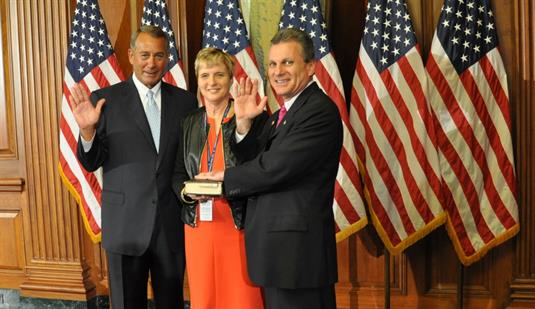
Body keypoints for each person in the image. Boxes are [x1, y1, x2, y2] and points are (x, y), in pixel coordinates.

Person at [197, 28, 342, 309]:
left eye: (288, 62)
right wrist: (243, 123)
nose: (278, 72)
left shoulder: (318, 111)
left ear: (310, 66)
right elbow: (252, 159)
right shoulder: (282, 115)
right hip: (280, 256)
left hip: (297, 259)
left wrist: (223, 178)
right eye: (273, 64)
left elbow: (275, 168)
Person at [68, 26, 197, 308]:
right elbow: (91, 162)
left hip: (170, 226)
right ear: (131, 55)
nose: (151, 63)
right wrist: (88, 132)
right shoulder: (105, 101)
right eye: (145, 55)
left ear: (167, 58)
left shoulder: (186, 102)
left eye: (159, 55)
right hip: (125, 227)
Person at [172, 47, 264, 309]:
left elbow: (259, 167)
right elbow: (178, 172)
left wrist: (244, 126)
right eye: (204, 76)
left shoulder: (251, 116)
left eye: (219, 75)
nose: (211, 82)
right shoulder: (188, 122)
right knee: (205, 299)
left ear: (231, 78)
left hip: (238, 222)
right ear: (198, 81)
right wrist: (188, 193)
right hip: (198, 224)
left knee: (241, 299)